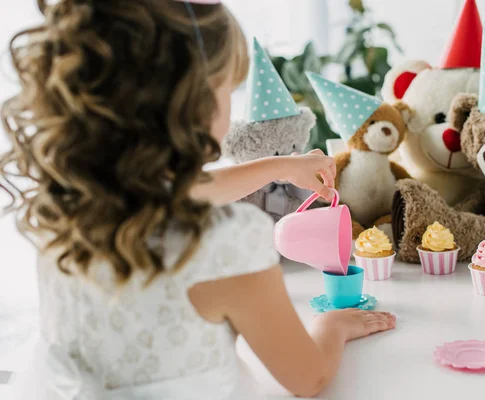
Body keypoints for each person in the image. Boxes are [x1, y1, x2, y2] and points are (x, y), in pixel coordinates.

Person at [0, 1, 395, 399]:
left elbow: (184, 190)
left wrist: (278, 167)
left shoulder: (63, 203)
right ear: (196, 101)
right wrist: (331, 327)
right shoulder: (226, 243)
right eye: (229, 88)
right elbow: (308, 378)